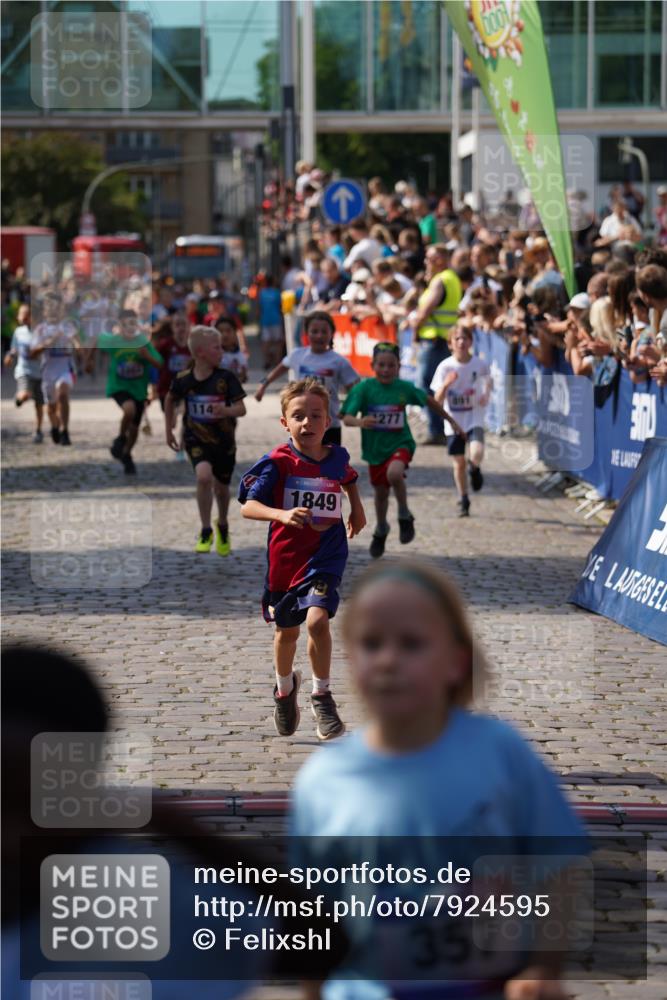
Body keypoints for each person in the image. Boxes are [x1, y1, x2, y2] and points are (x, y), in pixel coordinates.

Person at [291, 559, 586, 1000]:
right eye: (372, 644)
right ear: (351, 662)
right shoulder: (323, 779)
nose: (389, 659)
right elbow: (308, 915)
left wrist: (545, 965)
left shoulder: (501, 752)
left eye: (412, 644)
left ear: (456, 661)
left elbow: (561, 864)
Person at [238, 378, 366, 740]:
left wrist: (356, 509)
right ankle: (283, 690)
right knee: (286, 633)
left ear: (329, 422)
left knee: (317, 621)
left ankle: (321, 695)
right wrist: (280, 515)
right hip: (287, 560)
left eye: (316, 415)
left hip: (327, 555)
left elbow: (349, 477)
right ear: (285, 423)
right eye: (299, 416)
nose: (307, 423)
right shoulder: (278, 463)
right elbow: (249, 506)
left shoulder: (336, 456)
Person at [341, 341, 463, 558]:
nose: (386, 370)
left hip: (401, 443)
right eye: (381, 365)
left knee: (394, 473)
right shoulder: (364, 389)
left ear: (399, 366)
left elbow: (430, 402)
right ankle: (381, 528)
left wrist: (451, 421)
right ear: (372, 365)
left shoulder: (404, 388)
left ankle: (404, 514)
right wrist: (361, 422)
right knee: (381, 493)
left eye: (391, 365)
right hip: (375, 449)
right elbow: (346, 417)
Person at [166, 325, 246, 555]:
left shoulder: (226, 378)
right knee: (203, 478)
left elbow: (241, 409)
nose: (222, 351)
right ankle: (205, 529)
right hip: (195, 439)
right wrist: (169, 430)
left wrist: (226, 410)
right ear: (200, 352)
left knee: (222, 490)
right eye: (217, 347)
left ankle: (222, 524)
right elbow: (170, 399)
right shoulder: (184, 379)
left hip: (223, 442)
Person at [255, 311, 359, 446]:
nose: (319, 336)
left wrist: (347, 409)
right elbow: (279, 369)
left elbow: (355, 389)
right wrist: (263, 385)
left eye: (324, 332)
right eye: (314, 331)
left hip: (329, 424)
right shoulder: (297, 355)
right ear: (306, 333)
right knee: (303, 463)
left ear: (331, 333)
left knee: (329, 466)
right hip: (301, 424)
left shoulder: (339, 361)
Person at [91, 308, 164, 475]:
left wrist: (147, 356)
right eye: (125, 324)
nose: (129, 327)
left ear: (137, 324)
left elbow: (160, 364)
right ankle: (120, 438)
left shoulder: (143, 342)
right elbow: (96, 340)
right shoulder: (114, 341)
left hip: (139, 390)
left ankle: (127, 453)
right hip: (119, 387)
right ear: (119, 325)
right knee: (129, 410)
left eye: (132, 323)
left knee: (135, 429)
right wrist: (88, 361)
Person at [431, 326, 491, 517]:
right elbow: (437, 401)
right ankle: (463, 498)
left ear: (471, 342)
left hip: (474, 417)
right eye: (457, 339)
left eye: (465, 338)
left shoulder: (480, 365)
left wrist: (485, 395)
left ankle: (475, 469)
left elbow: (487, 385)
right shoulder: (445, 367)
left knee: (477, 452)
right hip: (453, 421)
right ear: (450, 344)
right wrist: (447, 384)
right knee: (458, 463)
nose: (461, 342)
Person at [409, 244, 462, 444]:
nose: (425, 263)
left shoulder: (441, 280)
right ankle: (441, 428)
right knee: (440, 385)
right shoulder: (452, 278)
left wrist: (415, 330)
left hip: (434, 340)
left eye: (429, 259)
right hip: (443, 339)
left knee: (426, 386)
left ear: (440, 259)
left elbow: (426, 311)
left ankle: (436, 429)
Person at [30, 292, 80, 446]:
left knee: (63, 394)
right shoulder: (40, 330)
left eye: (56, 307)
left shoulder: (68, 327)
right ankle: (55, 426)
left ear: (62, 309)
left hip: (66, 369)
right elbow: (32, 354)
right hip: (47, 373)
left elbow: (78, 344)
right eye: (49, 306)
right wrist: (48, 343)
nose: (53, 310)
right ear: (45, 310)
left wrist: (78, 346)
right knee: (51, 408)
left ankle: (65, 431)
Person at [3, 304, 44, 443]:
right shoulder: (18, 331)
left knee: (39, 405)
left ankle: (38, 430)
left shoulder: (40, 331)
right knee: (26, 394)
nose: (23, 317)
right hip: (24, 370)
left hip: (40, 372)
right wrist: (10, 356)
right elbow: (14, 348)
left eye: (26, 314)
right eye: (21, 314)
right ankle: (20, 397)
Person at [258, 274, 285, 369]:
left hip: (265, 320)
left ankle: (266, 361)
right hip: (276, 320)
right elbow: (281, 307)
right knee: (278, 342)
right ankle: (278, 363)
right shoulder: (277, 293)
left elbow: (259, 308)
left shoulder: (262, 293)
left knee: (266, 342)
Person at [217, 315, 248, 383]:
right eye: (220, 331)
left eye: (228, 331)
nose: (225, 334)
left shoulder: (241, 356)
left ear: (235, 332)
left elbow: (244, 378)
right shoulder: (213, 355)